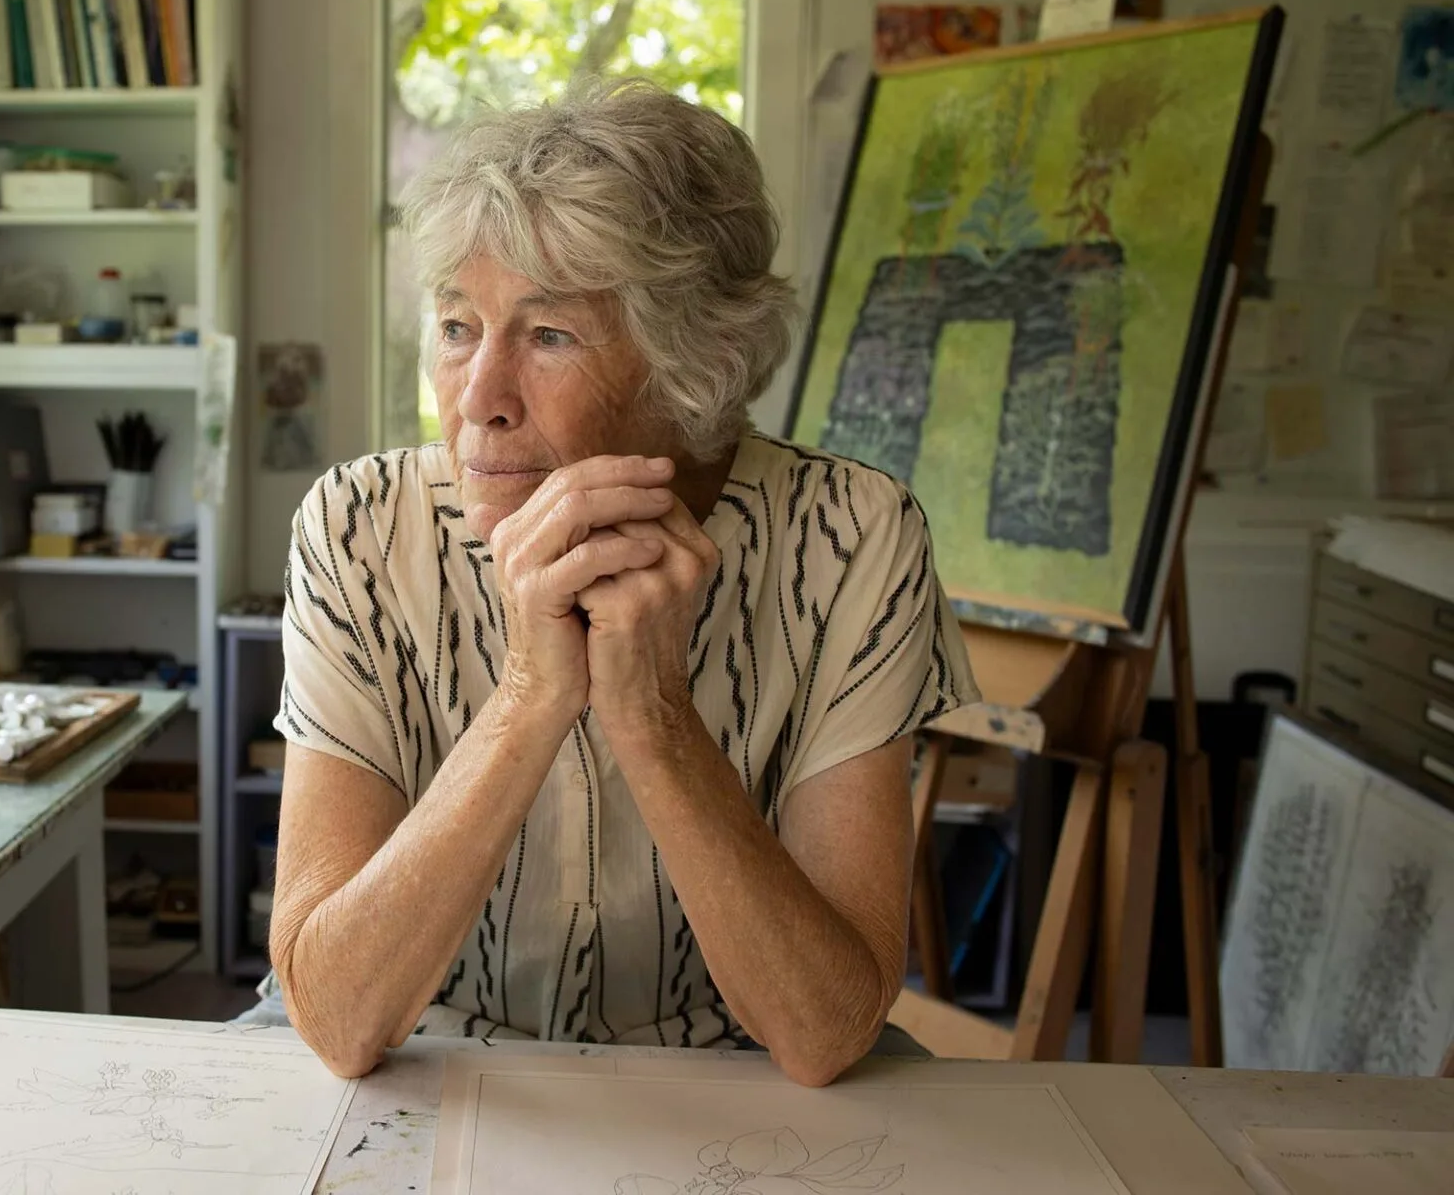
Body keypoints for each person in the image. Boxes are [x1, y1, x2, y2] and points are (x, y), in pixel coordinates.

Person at [260, 79, 978, 1085]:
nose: (479, 398)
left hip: (733, 1075)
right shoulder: (357, 527)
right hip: (423, 1061)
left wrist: (651, 712)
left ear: (699, 367)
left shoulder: (854, 537)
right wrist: (528, 699)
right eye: (458, 325)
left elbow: (825, 1030)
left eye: (548, 335)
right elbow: (336, 1015)